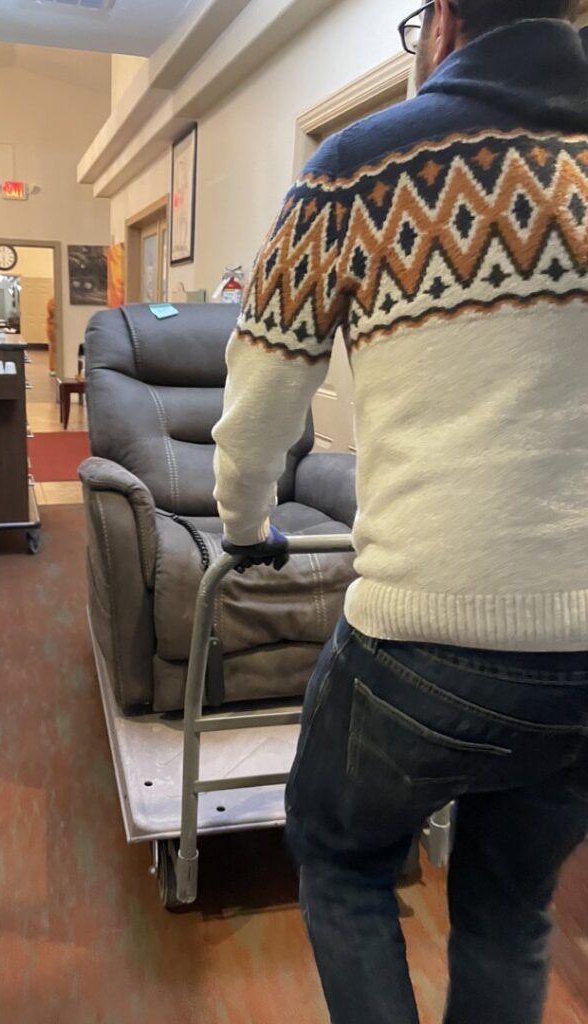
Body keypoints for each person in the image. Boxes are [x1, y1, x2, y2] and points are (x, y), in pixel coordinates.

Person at [211, 2, 588, 1021]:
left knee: (340, 854)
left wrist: (246, 532)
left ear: (446, 24)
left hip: (425, 635)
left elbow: (254, 422)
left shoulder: (355, 167)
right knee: (512, 913)